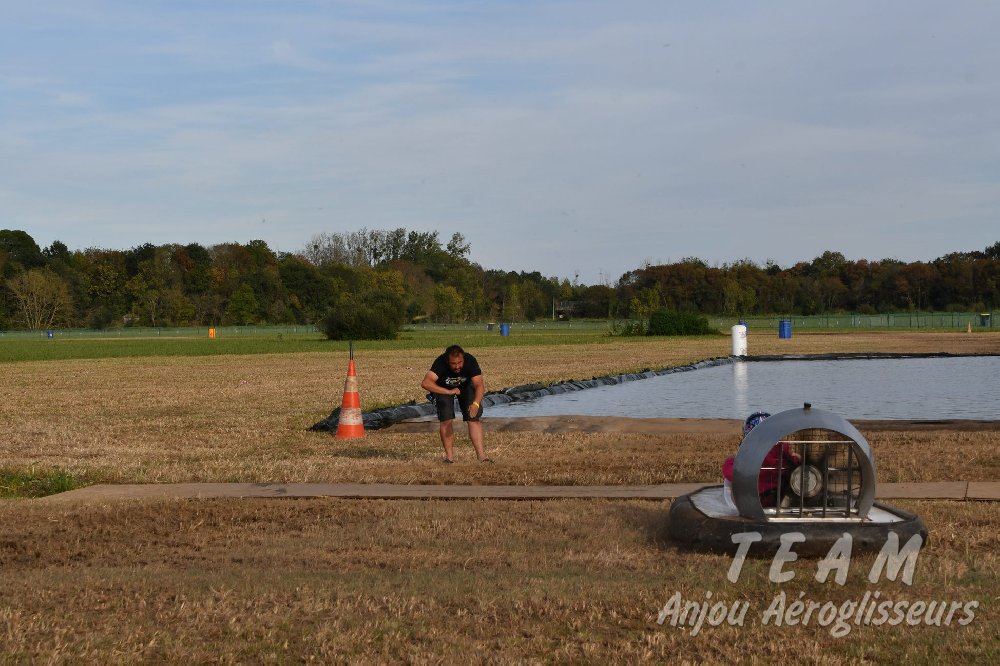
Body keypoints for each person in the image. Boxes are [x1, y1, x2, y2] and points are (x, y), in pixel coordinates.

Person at [421, 345, 492, 464]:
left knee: (473, 418)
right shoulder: (440, 362)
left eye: (460, 362)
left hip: (466, 387)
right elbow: (425, 383)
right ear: (447, 361)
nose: (457, 366)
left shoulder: (470, 360)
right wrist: (448, 392)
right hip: (444, 388)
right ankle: (449, 458)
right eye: (453, 364)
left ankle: (482, 457)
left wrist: (475, 404)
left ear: (463, 358)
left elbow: (479, 385)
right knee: (446, 419)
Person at [722, 411, 800, 509]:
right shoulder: (783, 450)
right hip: (781, 500)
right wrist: (797, 458)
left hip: (753, 502)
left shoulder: (747, 457)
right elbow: (797, 466)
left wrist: (731, 460)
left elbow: (730, 472)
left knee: (729, 481)